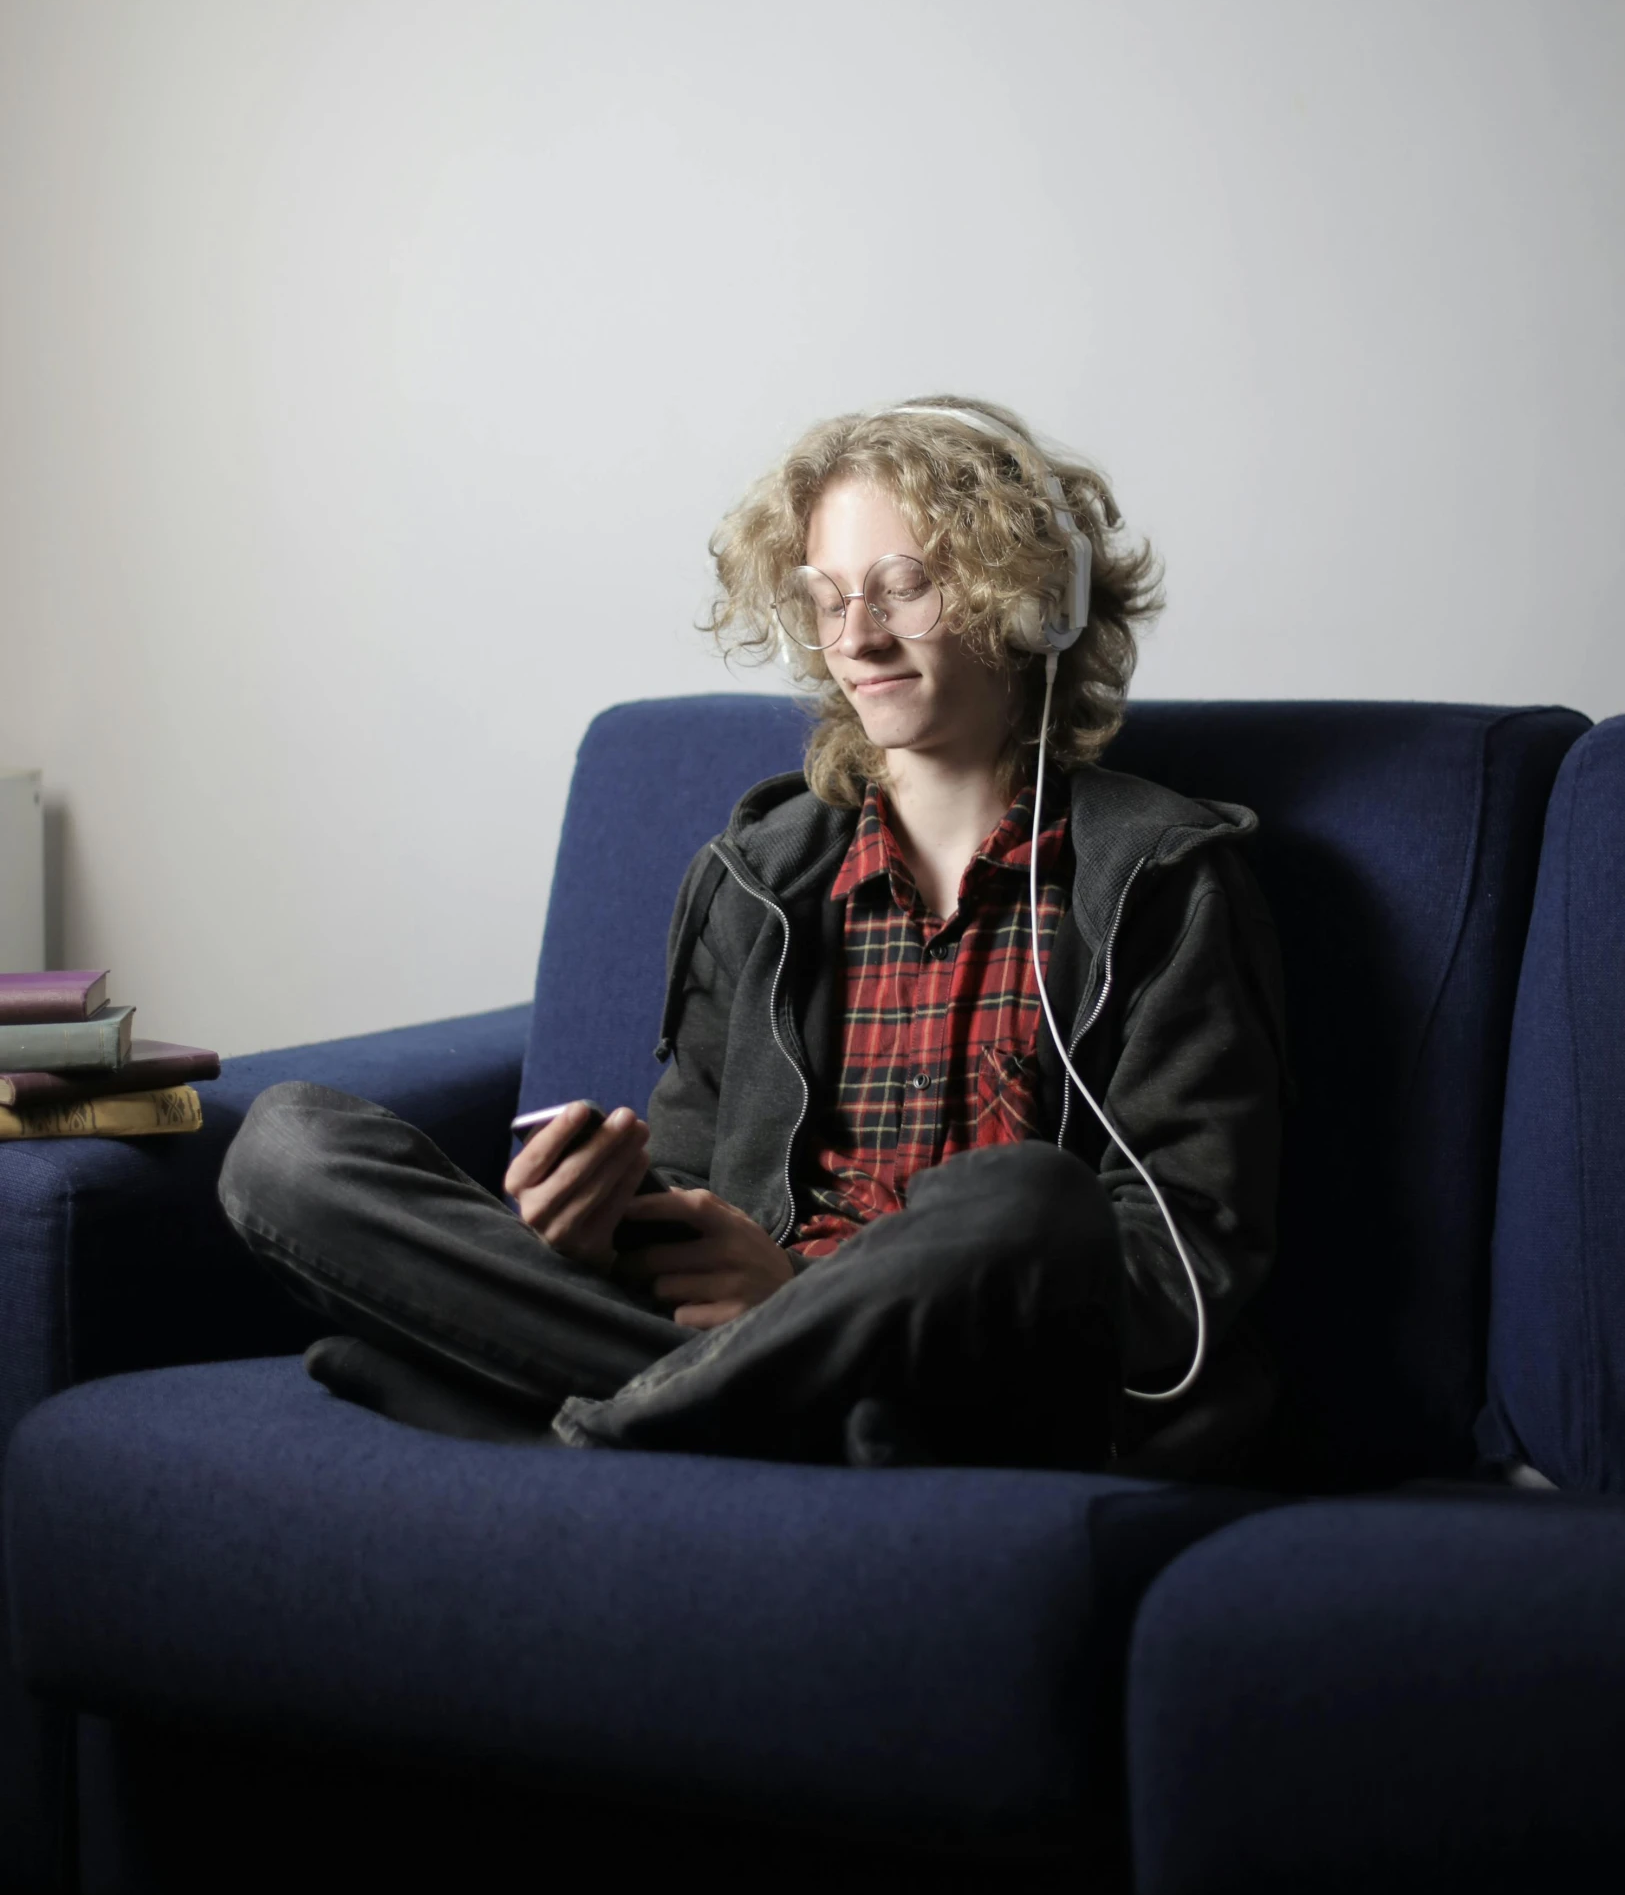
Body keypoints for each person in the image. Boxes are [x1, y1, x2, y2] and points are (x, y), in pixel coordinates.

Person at [220, 395, 1287, 1476]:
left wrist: (801, 1293)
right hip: (771, 1361)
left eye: (902, 587)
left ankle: (584, 1419)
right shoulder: (757, 877)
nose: (855, 637)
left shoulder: (1160, 877)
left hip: (982, 1379)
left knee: (1026, 1197)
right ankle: (772, 1421)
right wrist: (601, 1229)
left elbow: (1176, 1274)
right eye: (826, 599)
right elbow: (698, 1189)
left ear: (1034, 601)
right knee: (287, 1147)